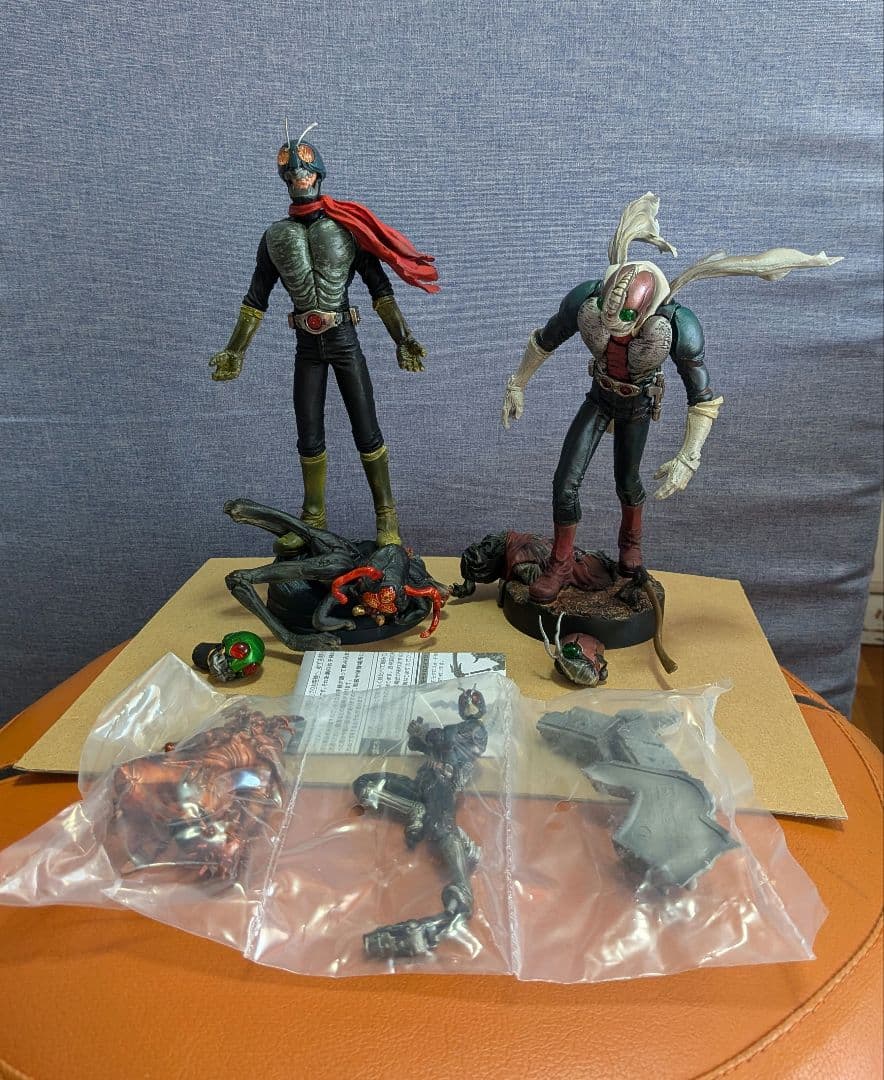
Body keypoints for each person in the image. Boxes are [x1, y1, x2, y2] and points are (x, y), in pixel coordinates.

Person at [502, 193, 840, 603]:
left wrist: (688, 457)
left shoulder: (677, 324)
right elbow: (546, 339)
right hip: (599, 396)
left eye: (627, 324)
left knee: (627, 482)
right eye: (608, 320)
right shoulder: (587, 300)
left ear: (647, 314)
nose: (617, 332)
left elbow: (703, 397)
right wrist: (518, 383)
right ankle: (560, 562)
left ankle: (631, 546)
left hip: (637, 405)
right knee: (565, 481)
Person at [210, 125, 439, 547]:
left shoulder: (348, 229)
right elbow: (256, 298)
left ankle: (386, 515)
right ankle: (312, 518)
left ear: (319, 173)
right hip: (306, 347)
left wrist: (402, 337)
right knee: (308, 433)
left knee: (366, 427)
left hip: (343, 339)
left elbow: (380, 288)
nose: (300, 176)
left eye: (306, 169)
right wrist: (234, 351)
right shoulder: (275, 237)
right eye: (292, 171)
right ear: (285, 178)